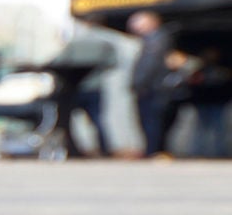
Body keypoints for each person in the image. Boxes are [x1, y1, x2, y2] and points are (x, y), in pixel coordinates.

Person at [53, 17, 122, 155]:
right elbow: (113, 63)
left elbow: (59, 62)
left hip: (74, 88)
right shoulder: (106, 43)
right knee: (98, 120)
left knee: (66, 120)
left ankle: (72, 150)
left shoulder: (74, 43)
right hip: (96, 87)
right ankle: (105, 150)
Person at [129, 10, 177, 158]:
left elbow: (148, 65)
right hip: (153, 88)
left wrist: (138, 84)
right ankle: (155, 151)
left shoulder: (155, 40)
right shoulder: (153, 40)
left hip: (152, 89)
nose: (134, 27)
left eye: (138, 23)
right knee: (151, 122)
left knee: (151, 122)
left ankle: (153, 152)